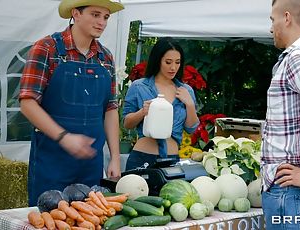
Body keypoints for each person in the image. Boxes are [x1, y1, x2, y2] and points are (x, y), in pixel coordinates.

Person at [19, 0, 124, 206]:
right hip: (51, 163)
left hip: (91, 165)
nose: (101, 22)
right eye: (95, 15)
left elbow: (111, 109)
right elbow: (27, 103)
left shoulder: (106, 57)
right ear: (76, 14)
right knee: (50, 220)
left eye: (105, 17)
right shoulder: (47, 48)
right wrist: (65, 137)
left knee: (89, 220)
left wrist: (115, 157)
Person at [123, 37, 200, 170]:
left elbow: (191, 128)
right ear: (158, 60)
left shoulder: (185, 90)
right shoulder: (139, 86)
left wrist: (190, 104)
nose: (173, 67)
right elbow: (126, 123)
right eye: (168, 62)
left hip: (172, 160)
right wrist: (142, 112)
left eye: (177, 62)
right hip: (142, 158)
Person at [261, 0, 300, 229]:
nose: (270, 28)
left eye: (272, 19)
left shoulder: (298, 58)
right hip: (290, 194)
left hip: (292, 194)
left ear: (286, 18)